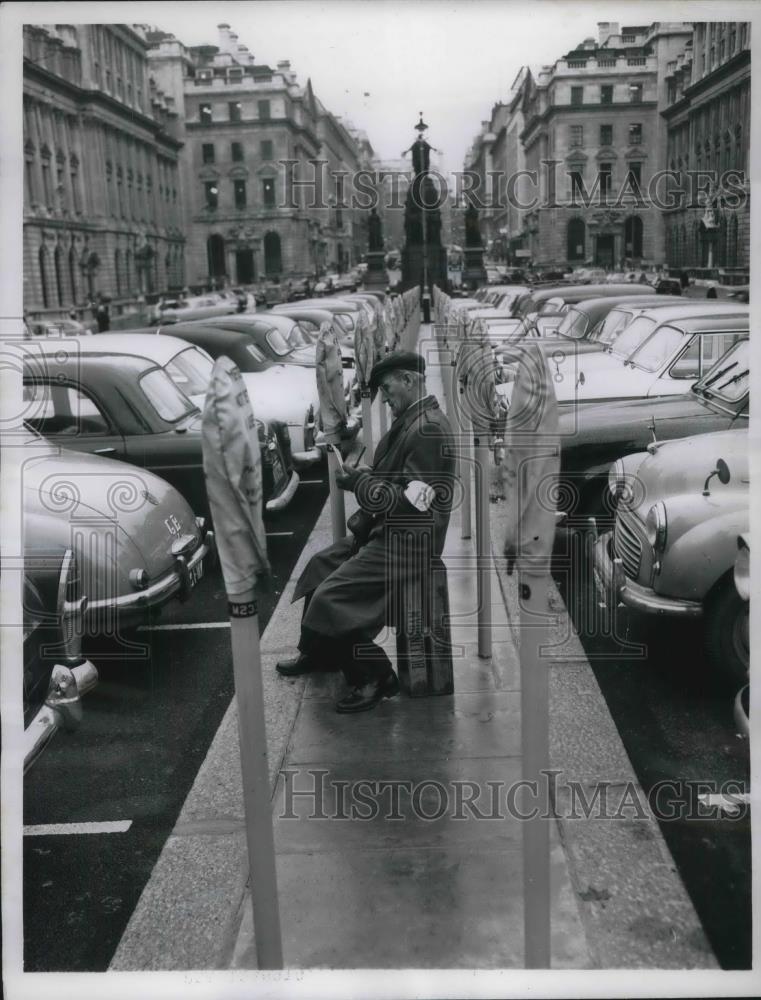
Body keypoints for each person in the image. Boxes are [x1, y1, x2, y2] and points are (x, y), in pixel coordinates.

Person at [276, 350, 456, 713]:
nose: (385, 398)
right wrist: (366, 477)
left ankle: (373, 675)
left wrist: (359, 484)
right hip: (389, 531)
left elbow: (416, 501)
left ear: (408, 379)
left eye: (387, 389)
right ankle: (320, 654)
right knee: (319, 567)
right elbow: (399, 480)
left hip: (407, 540)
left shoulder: (429, 428)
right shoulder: (413, 419)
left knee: (331, 599)